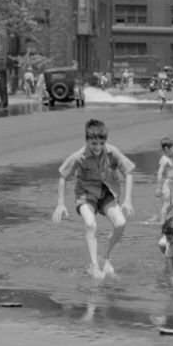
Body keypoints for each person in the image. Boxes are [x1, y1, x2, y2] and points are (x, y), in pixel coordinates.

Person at [52, 119, 135, 280]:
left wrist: (128, 200)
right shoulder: (79, 156)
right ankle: (94, 266)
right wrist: (60, 204)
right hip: (85, 195)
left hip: (106, 192)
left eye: (101, 143)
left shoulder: (112, 152)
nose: (97, 147)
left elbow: (129, 172)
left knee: (120, 223)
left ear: (105, 141)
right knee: (90, 224)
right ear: (87, 140)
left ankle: (106, 257)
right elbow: (63, 176)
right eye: (93, 143)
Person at [152, 136, 173, 226]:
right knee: (166, 203)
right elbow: (159, 173)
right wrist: (158, 188)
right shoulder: (164, 159)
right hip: (166, 184)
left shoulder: (170, 158)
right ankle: (162, 223)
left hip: (171, 184)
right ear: (167, 149)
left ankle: (161, 216)